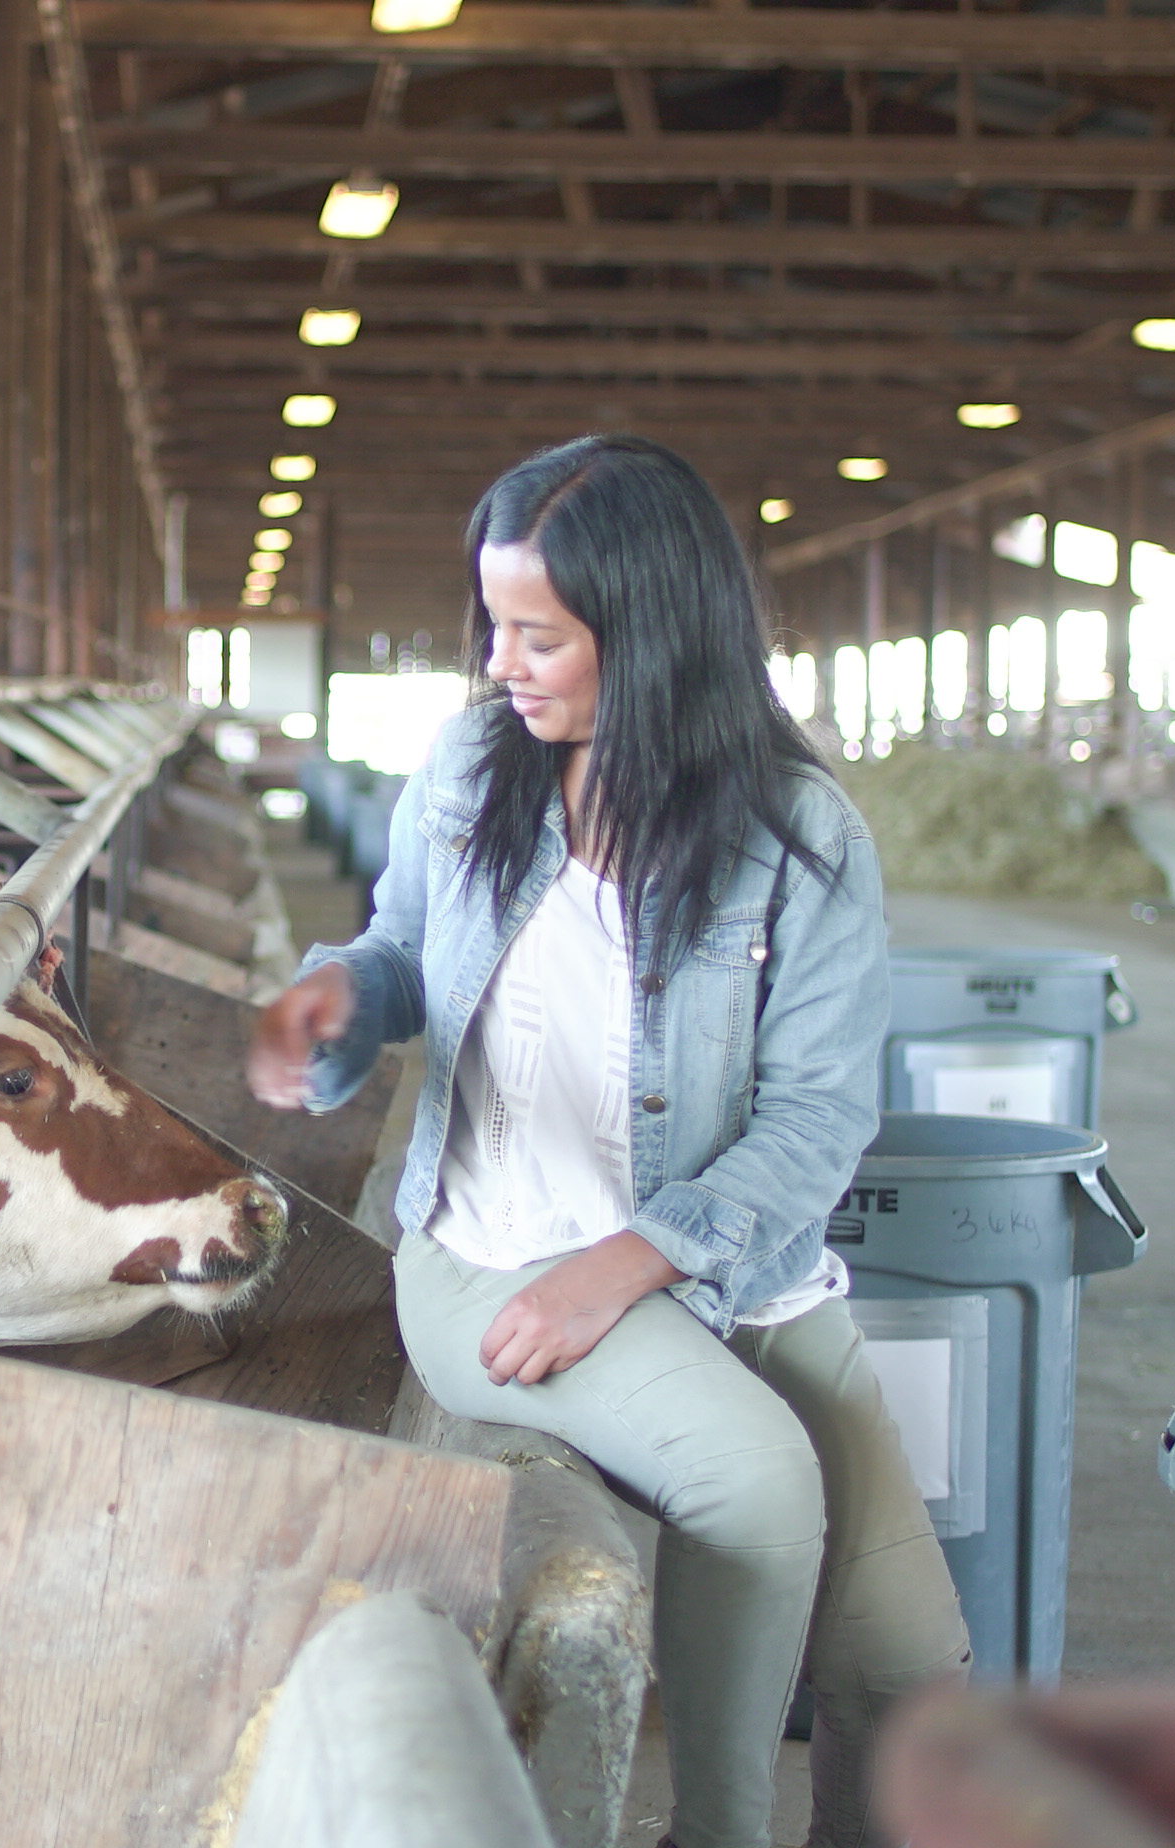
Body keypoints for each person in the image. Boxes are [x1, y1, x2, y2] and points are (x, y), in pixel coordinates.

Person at [247, 436, 968, 1848]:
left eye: (541, 635)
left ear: (649, 638)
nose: (504, 665)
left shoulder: (799, 835)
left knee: (907, 1670)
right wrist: (336, 1007)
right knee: (756, 1485)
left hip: (727, 1268)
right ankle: (715, 1833)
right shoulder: (472, 769)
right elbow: (400, 950)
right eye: (495, 626)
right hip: (492, 1261)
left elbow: (820, 1113)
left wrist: (639, 1259)